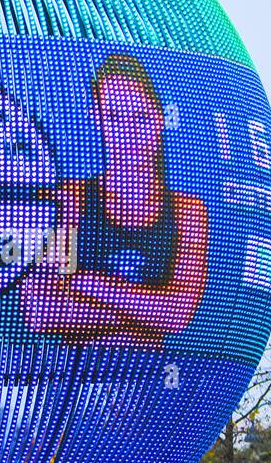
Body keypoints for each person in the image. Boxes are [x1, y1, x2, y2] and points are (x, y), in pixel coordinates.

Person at [22, 53, 207, 349]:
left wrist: (87, 283)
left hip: (148, 379)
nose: (128, 132)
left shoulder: (188, 213)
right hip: (74, 376)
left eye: (140, 117)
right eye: (115, 117)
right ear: (99, 119)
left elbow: (178, 315)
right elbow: (40, 310)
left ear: (159, 120)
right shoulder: (72, 201)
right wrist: (142, 316)